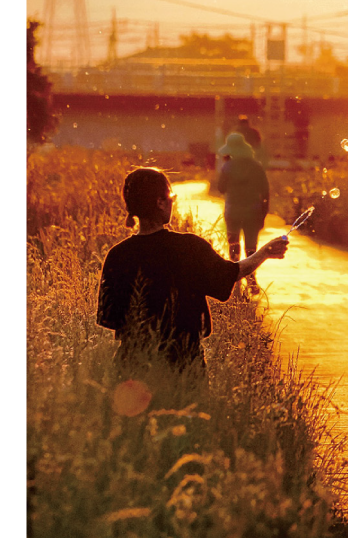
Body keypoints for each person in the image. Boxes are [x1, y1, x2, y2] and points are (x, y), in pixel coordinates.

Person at [97, 167, 288, 382]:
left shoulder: (117, 255)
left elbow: (109, 318)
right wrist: (263, 253)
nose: (172, 202)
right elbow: (229, 274)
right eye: (171, 197)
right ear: (160, 203)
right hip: (183, 363)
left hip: (130, 366)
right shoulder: (188, 247)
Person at [215, 132, 271, 293]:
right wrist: (263, 213)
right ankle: (251, 279)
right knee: (251, 247)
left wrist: (226, 166)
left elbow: (221, 188)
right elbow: (265, 191)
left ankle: (236, 282)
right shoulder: (256, 166)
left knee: (234, 245)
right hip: (253, 212)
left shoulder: (227, 167)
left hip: (233, 212)